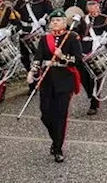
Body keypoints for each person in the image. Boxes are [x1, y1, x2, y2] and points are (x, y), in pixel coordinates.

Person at [29, 9, 83, 162]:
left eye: (58, 20)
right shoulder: (45, 39)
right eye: (52, 21)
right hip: (47, 80)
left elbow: (78, 60)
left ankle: (58, 147)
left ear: (65, 22)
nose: (55, 23)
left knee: (60, 115)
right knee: (45, 113)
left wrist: (62, 57)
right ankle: (55, 139)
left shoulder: (72, 37)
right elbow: (38, 57)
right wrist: (32, 72)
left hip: (65, 80)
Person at [77, 0, 107, 115]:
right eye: (89, 4)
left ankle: (94, 104)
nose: (91, 7)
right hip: (84, 50)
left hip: (98, 50)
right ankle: (90, 93)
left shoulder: (104, 19)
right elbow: (78, 34)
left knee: (96, 78)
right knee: (83, 76)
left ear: (98, 5)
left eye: (94, 4)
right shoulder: (83, 19)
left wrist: (106, 38)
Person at [14, 0, 54, 71]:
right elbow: (14, 15)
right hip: (24, 32)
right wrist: (18, 27)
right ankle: (29, 73)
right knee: (24, 57)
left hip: (38, 31)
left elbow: (51, 14)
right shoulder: (21, 1)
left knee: (39, 55)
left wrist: (45, 20)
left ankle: (39, 75)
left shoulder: (44, 1)